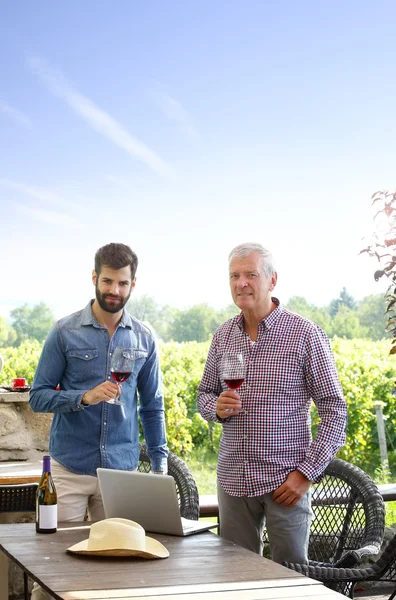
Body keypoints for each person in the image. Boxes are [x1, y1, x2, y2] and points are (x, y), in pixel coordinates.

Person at [197, 242, 347, 565]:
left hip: (285, 484)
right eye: (234, 276)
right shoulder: (223, 336)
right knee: (236, 579)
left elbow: (335, 410)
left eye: (250, 274)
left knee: (290, 582)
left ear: (272, 280)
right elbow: (204, 396)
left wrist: (305, 475)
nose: (241, 283)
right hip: (233, 481)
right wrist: (216, 408)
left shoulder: (305, 334)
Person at [30, 242, 168, 524]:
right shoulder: (64, 332)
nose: (114, 290)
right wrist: (83, 397)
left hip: (121, 471)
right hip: (70, 470)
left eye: (122, 283)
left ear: (133, 284)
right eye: (107, 281)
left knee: (118, 560)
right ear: (94, 278)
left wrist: (159, 461)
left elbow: (152, 406)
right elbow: (38, 397)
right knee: (57, 558)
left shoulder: (144, 338)